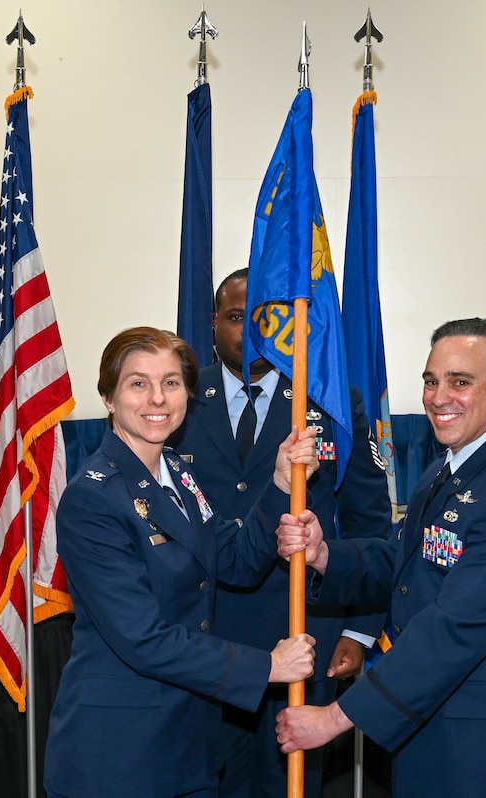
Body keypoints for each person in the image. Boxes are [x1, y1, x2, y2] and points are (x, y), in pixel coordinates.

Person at [274, 318, 486, 798]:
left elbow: (455, 629)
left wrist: (336, 718)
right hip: (435, 734)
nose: (439, 397)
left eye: (460, 382)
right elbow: (404, 563)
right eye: (431, 381)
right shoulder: (448, 471)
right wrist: (323, 555)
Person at [44, 326, 322, 798]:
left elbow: (231, 560)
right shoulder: (92, 498)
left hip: (188, 747)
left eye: (171, 383)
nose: (157, 398)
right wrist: (266, 667)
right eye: (138, 383)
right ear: (109, 398)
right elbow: (142, 639)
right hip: (119, 756)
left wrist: (277, 485)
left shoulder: (178, 472)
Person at [168, 268, 392, 798]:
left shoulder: (329, 402)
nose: (249, 330)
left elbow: (370, 526)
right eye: (235, 317)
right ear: (213, 323)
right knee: (208, 782)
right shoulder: (175, 400)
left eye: (265, 318)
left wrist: (360, 631)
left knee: (290, 787)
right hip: (206, 637)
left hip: (300, 632)